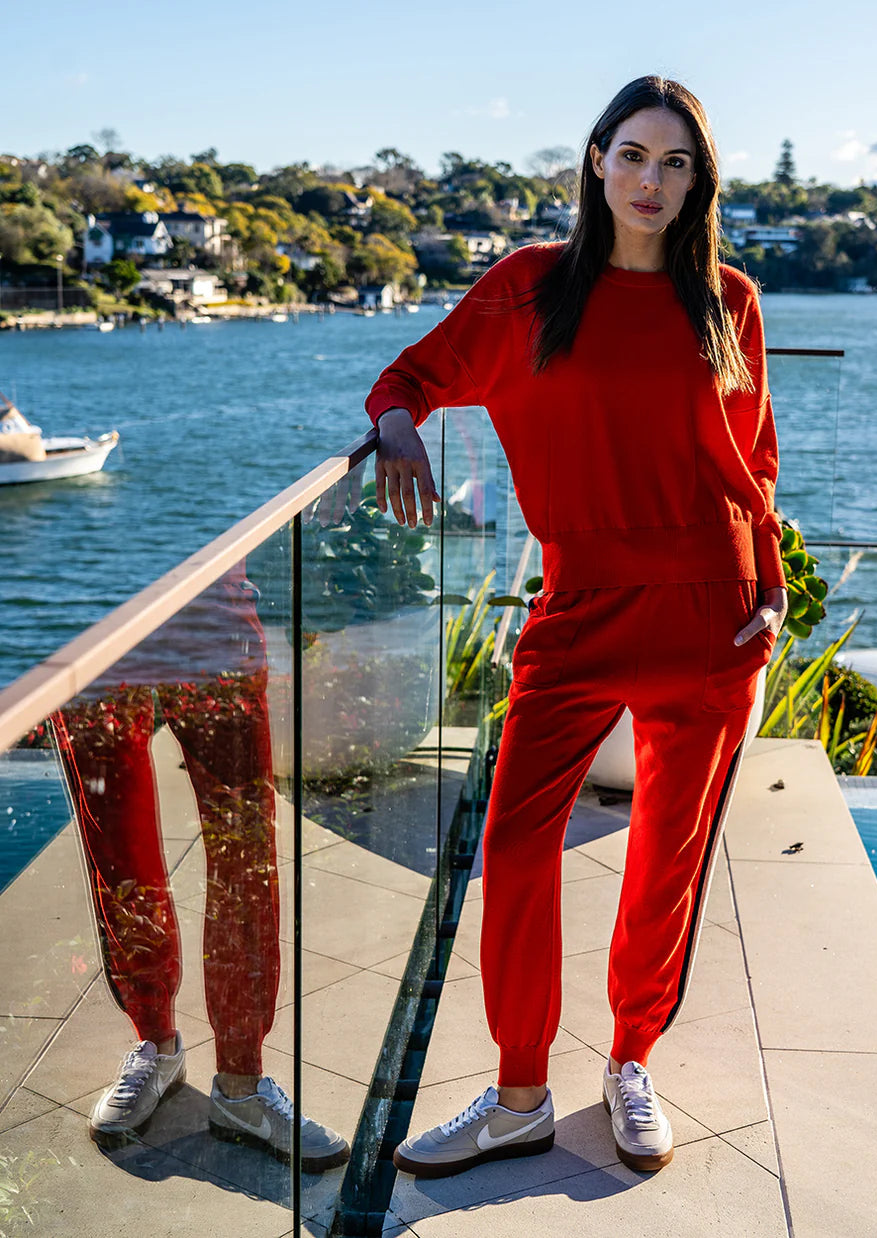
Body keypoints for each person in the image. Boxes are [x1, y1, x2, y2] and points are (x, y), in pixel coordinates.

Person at [365, 75, 787, 1178]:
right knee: (511, 845)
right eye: (635, 155)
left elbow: (755, 464)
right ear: (596, 160)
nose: (653, 180)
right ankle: (517, 1090)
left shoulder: (728, 300)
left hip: (714, 614)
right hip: (579, 609)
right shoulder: (527, 289)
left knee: (666, 859)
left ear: (699, 182)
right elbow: (413, 375)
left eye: (677, 163)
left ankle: (632, 1061)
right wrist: (399, 428)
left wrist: (774, 587)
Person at [52, 565, 349, 1174]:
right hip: (90, 605)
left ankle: (241, 1083)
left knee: (245, 849)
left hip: (210, 603)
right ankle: (155, 1039)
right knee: (116, 842)